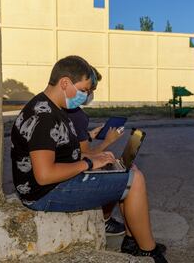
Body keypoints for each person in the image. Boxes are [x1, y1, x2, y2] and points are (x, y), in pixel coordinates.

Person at [10, 55, 167, 263]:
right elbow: (45, 175)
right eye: (83, 90)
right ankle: (149, 251)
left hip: (52, 184)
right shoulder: (44, 116)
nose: (85, 95)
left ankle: (133, 242)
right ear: (65, 83)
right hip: (44, 193)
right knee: (135, 180)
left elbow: (59, 153)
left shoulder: (52, 107)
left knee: (126, 171)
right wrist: (89, 163)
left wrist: (98, 157)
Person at [65, 67, 126, 236]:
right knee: (120, 173)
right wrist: (108, 141)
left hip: (65, 166)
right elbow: (85, 154)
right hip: (69, 175)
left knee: (115, 165)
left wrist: (89, 136)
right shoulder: (77, 115)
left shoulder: (67, 111)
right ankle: (104, 220)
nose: (89, 95)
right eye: (88, 90)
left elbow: (73, 145)